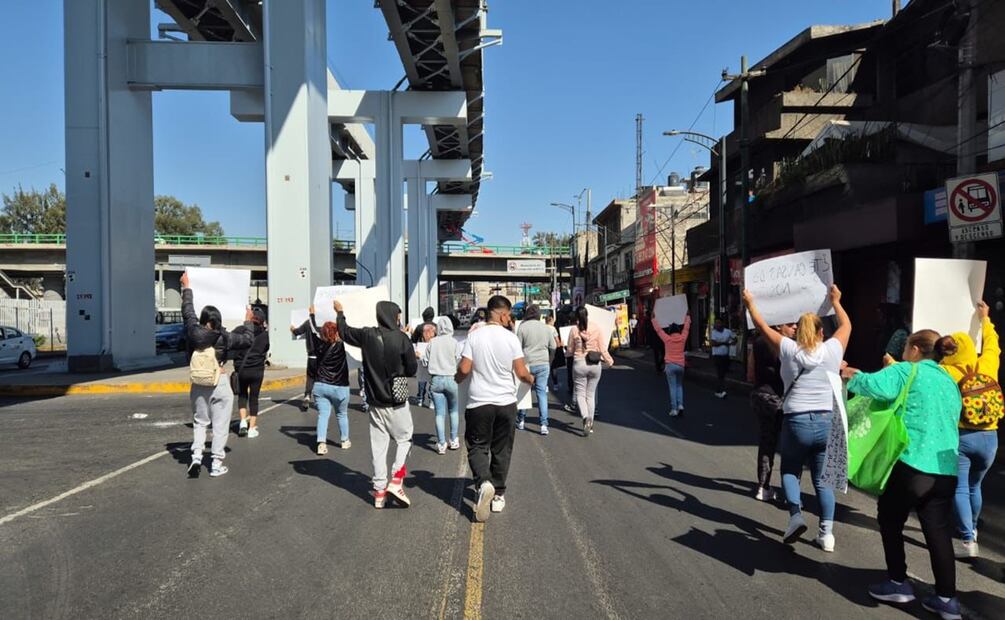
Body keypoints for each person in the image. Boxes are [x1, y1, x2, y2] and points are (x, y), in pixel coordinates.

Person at [843, 331, 963, 619]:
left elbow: (873, 386)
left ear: (916, 349)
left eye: (907, 347)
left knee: (890, 518)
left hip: (912, 464)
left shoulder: (906, 370)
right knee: (938, 533)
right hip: (946, 470)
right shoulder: (949, 380)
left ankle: (898, 582)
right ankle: (947, 601)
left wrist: (849, 374)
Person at [744, 285, 850, 551]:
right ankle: (826, 534)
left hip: (797, 421)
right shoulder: (833, 350)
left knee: (790, 470)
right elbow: (847, 324)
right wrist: (836, 302)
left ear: (798, 332)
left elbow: (761, 325)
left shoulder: (789, 350)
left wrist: (750, 303)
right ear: (821, 332)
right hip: (827, 421)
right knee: (822, 479)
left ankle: (795, 516)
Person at [455, 295, 535, 522]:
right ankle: (498, 495)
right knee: (502, 448)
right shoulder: (511, 339)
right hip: (506, 403)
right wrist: (531, 379)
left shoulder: (474, 336)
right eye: (509, 314)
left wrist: (457, 378)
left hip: (479, 402)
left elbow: (464, 368)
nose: (510, 319)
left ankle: (484, 482)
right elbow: (520, 372)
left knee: (477, 446)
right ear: (501, 314)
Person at [336, 299, 417, 509]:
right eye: (398, 315)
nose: (399, 319)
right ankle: (396, 479)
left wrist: (340, 312)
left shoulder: (367, 335)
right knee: (404, 438)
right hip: (396, 401)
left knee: (379, 446)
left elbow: (344, 332)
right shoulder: (401, 338)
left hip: (374, 400)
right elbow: (411, 370)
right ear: (392, 315)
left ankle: (379, 492)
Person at [939, 300, 1001, 559]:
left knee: (961, 488)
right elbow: (993, 344)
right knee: (976, 487)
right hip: (991, 438)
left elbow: (916, 373)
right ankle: (972, 528)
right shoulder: (987, 365)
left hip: (963, 437)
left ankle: (967, 540)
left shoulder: (946, 372)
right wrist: (985, 319)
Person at [180, 272, 256, 479]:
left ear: (203, 319)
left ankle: (196, 457)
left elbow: (188, 312)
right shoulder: (225, 337)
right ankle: (215, 463)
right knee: (220, 425)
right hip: (219, 381)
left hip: (198, 382)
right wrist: (248, 321)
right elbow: (248, 340)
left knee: (200, 422)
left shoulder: (193, 332)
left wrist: (187, 287)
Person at [749, 322, 797, 501]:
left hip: (759, 394)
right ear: (778, 326)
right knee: (789, 445)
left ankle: (763, 486)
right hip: (778, 398)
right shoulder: (785, 345)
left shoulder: (758, 342)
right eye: (791, 324)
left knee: (767, 441)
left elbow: (750, 373)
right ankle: (790, 491)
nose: (795, 327)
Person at [296, 306, 351, 455]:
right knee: (342, 414)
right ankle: (344, 440)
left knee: (323, 415)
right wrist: (340, 311)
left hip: (321, 385)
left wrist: (312, 314)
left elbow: (313, 328)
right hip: (340, 387)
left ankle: (321, 443)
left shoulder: (318, 344)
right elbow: (345, 329)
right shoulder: (341, 346)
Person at [568, 306, 614, 436]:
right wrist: (609, 361)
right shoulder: (596, 327)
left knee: (580, 394)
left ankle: (585, 417)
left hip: (579, 364)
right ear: (587, 315)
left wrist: (568, 354)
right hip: (595, 364)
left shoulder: (573, 330)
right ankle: (591, 423)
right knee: (591, 394)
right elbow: (603, 348)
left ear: (576, 317)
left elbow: (570, 350)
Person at [422, 316, 462, 454]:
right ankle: (454, 439)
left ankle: (441, 443)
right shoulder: (454, 342)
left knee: (439, 413)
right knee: (454, 411)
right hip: (451, 378)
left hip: (436, 380)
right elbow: (459, 359)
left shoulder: (432, 342)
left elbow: (424, 362)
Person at [516, 304, 557, 435]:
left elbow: (517, 348)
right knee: (541, 394)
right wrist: (549, 360)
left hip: (527, 363)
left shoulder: (522, 327)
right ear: (539, 315)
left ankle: (521, 420)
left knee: (524, 392)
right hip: (543, 363)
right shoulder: (546, 328)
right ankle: (543, 425)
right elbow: (554, 346)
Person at [233, 307, 270, 439]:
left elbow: (231, 343)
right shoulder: (265, 335)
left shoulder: (240, 330)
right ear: (262, 321)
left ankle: (243, 422)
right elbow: (266, 348)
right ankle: (252, 428)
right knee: (254, 398)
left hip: (241, 370)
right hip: (257, 371)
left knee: (242, 395)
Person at [652, 314, 691, 417]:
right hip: (681, 365)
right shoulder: (683, 338)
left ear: (670, 331)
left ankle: (674, 409)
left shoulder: (667, 339)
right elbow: (686, 328)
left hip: (670, 365)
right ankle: (681, 405)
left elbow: (659, 330)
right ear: (678, 331)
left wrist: (653, 319)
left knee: (672, 387)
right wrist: (687, 317)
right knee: (679, 386)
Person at [292, 315, 320, 412]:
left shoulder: (308, 322)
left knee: (310, 377)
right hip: (321, 357)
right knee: (320, 379)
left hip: (311, 356)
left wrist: (292, 329)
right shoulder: (322, 323)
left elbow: (297, 332)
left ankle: (307, 396)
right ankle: (319, 400)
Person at [412, 306, 437, 406]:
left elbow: (413, 339)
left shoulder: (419, 327)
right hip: (434, 352)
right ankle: (431, 400)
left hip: (422, 351)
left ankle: (420, 398)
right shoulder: (436, 326)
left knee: (422, 375)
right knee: (432, 376)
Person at [710, 317, 736, 398]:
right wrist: (725, 343)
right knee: (720, 373)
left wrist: (732, 342)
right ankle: (719, 390)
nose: (717, 325)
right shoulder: (714, 332)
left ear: (722, 324)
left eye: (718, 323)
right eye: (716, 323)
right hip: (717, 356)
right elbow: (713, 343)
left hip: (726, 355)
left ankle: (720, 389)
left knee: (723, 373)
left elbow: (735, 338)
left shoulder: (727, 331)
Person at [546, 315, 563, 390]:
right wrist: (560, 344)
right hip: (552, 349)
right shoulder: (553, 328)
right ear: (550, 321)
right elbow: (557, 340)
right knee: (553, 367)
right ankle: (555, 384)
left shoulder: (543, 328)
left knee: (545, 367)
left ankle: (545, 385)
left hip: (544, 349)